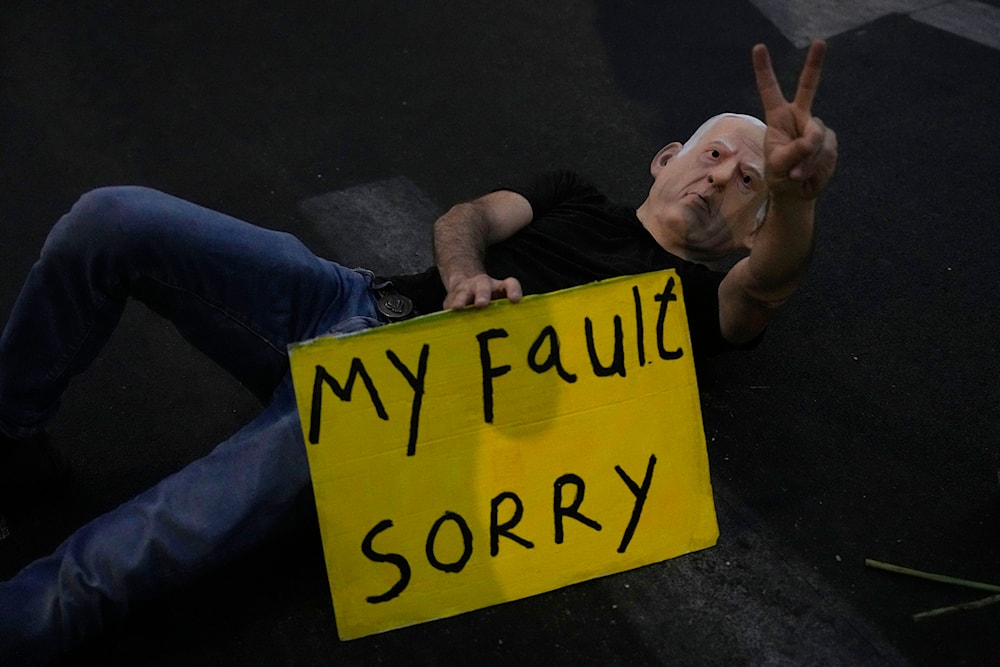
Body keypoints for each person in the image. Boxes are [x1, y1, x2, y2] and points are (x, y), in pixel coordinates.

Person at [0, 41, 837, 664]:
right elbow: (466, 216)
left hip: (399, 421)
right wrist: (466, 274)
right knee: (112, 219)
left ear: (754, 228)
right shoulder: (575, 194)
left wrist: (798, 200)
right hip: (353, 298)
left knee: (134, 546)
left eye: (752, 183)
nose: (724, 176)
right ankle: (12, 437)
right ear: (666, 160)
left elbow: (766, 288)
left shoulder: (693, 306)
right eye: (716, 153)